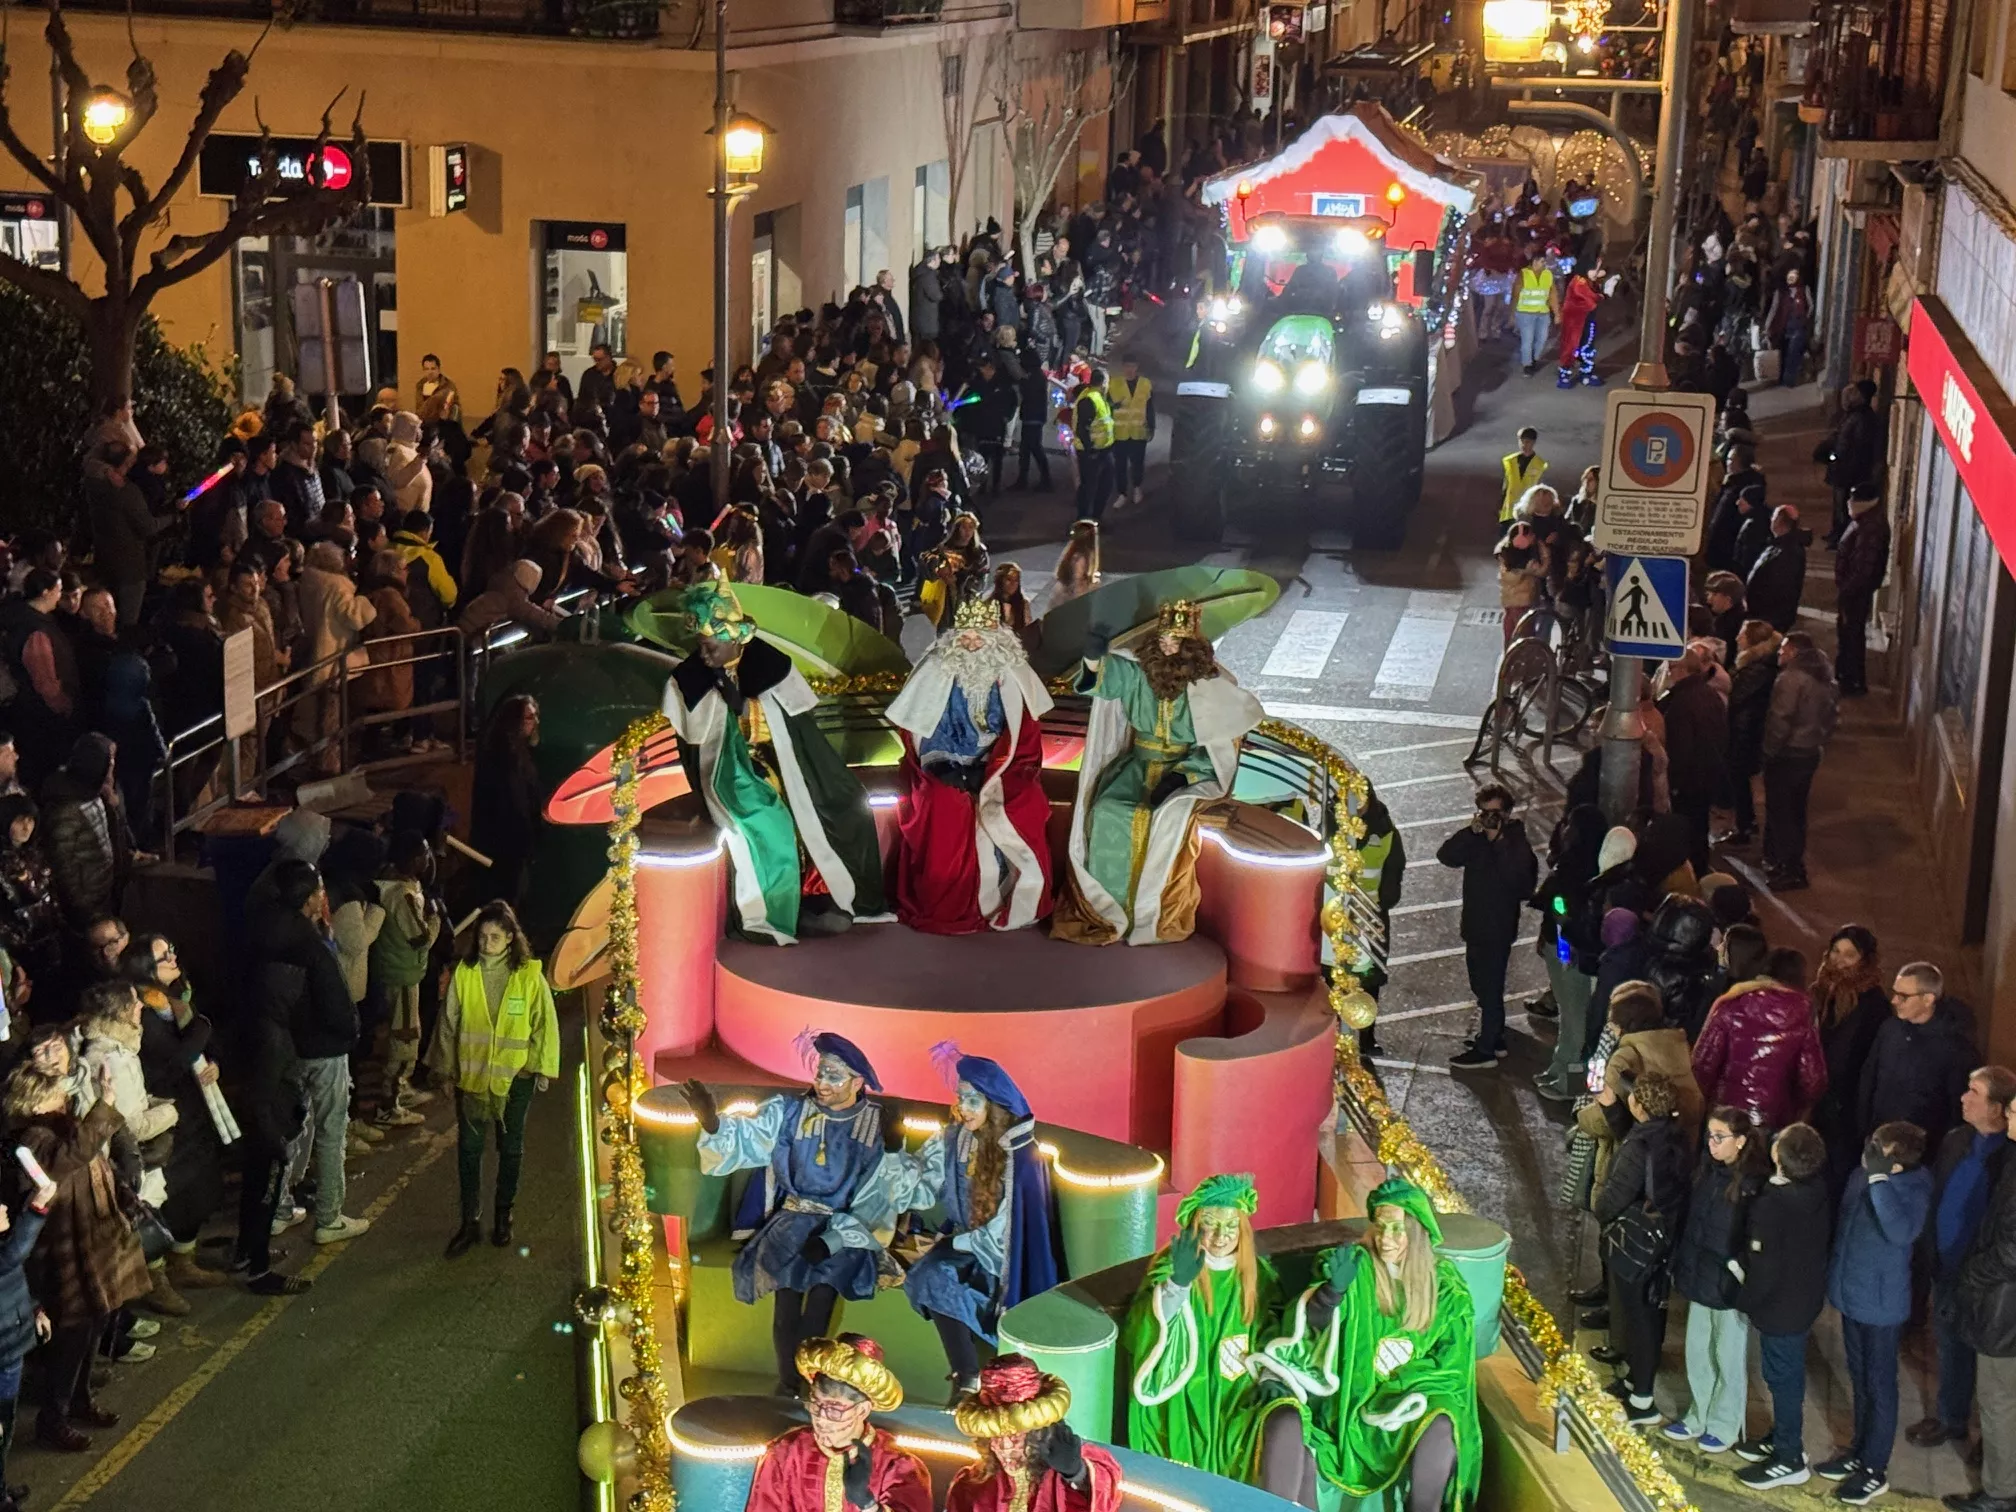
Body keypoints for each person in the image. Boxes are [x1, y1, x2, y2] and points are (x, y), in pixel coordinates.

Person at [659, 581, 888, 943]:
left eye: (710, 647)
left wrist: (746, 709)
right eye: (700, 647)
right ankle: (780, 914)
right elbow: (701, 743)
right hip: (729, 770)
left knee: (844, 801)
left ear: (735, 639)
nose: (703, 655)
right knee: (771, 820)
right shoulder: (692, 677)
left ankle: (831, 896)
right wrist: (732, 713)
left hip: (784, 760)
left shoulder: (768, 663)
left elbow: (793, 730)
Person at [683, 1034, 903, 1391]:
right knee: (786, 1308)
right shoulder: (789, 1111)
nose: (822, 1083)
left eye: (834, 1076)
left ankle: (805, 1385)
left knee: (819, 1301)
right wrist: (712, 1123)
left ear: (858, 1082)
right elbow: (749, 1139)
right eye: (820, 1073)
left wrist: (833, 1239)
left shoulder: (877, 1124)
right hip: (793, 1221)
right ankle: (789, 1387)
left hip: (846, 1227)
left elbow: (880, 1194)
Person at [1253, 1177, 1482, 1512]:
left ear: (1416, 1232)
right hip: (1345, 1408)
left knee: (1442, 1418)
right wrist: (1331, 1294)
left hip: (1407, 1408)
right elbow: (1310, 1332)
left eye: (1397, 1229)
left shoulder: (1446, 1289)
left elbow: (1451, 1370)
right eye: (1380, 1226)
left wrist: (1400, 1393)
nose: (1386, 1239)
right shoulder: (1353, 1267)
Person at [1054, 599, 1263, 947]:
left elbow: (1219, 744)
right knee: (1107, 811)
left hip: (1184, 773)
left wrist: (1183, 776)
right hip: (1135, 767)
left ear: (1191, 648)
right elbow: (1103, 680)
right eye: (1163, 640)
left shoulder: (1209, 686)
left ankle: (1150, 912)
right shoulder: (1140, 673)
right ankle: (1107, 909)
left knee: (1165, 820)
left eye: (1175, 642)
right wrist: (1094, 656)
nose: (1167, 648)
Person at [890, 1049, 1062, 1394]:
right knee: (930, 1271)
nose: (962, 1108)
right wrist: (896, 1161)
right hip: (960, 1244)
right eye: (960, 1098)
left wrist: (951, 1244)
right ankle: (966, 1374)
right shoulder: (955, 1139)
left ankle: (969, 1376)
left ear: (994, 1105)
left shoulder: (1021, 1156)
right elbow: (924, 1187)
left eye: (972, 1101)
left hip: (998, 1259)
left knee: (939, 1274)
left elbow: (1005, 1233)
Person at [886, 600, 1054, 935]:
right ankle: (947, 902)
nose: (973, 645)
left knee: (1024, 805)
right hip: (942, 761)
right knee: (946, 804)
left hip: (999, 766)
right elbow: (924, 731)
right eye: (966, 638)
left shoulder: (1013, 674)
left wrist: (994, 769)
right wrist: (945, 765)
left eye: (981, 638)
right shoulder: (938, 668)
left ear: (996, 638)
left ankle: (1004, 898)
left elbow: (1023, 737)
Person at [8, 1061, 150, 1452]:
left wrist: (121, 1194)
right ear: (35, 1101)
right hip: (62, 1252)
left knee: (93, 1326)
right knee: (70, 1337)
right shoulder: (30, 1141)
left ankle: (80, 1400)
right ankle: (53, 1419)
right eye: (55, 1090)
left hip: (90, 1242)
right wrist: (103, 1104)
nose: (64, 1094)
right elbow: (69, 1158)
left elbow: (94, 1162)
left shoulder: (61, 1125)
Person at [1122, 1173, 1279, 1481]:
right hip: (1185, 1392)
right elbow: (1144, 1325)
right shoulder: (1175, 1263)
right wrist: (1178, 1285)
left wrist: (1271, 1374)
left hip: (1238, 1393)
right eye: (1211, 1224)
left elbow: (1272, 1329)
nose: (1221, 1235)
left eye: (1231, 1225)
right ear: (1195, 1223)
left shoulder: (1256, 1275)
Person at [429, 901, 558, 1257]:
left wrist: (535, 1067)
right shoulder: (465, 973)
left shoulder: (529, 975)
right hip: (471, 1080)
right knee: (469, 1153)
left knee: (510, 1149)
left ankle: (504, 1216)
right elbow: (448, 1024)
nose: (487, 944)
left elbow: (544, 1024)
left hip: (515, 1082)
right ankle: (469, 1223)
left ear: (511, 939)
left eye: (495, 937)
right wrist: (443, 1069)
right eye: (482, 937)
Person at [1818, 1121, 1932, 1504]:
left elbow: (1899, 1232)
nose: (1869, 1148)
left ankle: (1874, 1468)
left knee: (1880, 1385)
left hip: (1882, 1306)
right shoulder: (1864, 1174)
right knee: (1859, 1377)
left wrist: (1879, 1182)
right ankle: (1858, 1450)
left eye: (1878, 1146)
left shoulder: (1914, 1188)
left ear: (1894, 1159)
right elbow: (1845, 1225)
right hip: (1852, 1295)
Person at [259, 858, 371, 1247]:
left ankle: (279, 1208)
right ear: (309, 898)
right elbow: (337, 1007)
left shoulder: (263, 935)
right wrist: (352, 1032)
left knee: (291, 1129)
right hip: (323, 1051)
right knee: (329, 1131)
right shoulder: (313, 947)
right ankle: (329, 1216)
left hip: (284, 1050)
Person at [1909, 1067, 2016, 1453]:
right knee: (1949, 1346)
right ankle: (1951, 1419)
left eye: (1974, 1092)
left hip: (1990, 1282)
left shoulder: (2009, 1155)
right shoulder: (1956, 1140)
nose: (1963, 1098)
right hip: (1947, 1267)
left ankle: (1993, 1443)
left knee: (1991, 1368)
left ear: (1999, 1108)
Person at [1663, 1106, 1768, 1453]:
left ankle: (1724, 1424)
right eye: (1709, 1135)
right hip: (1699, 1277)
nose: (1711, 1143)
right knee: (1697, 1351)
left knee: (1727, 1356)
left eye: (1719, 1137)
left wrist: (1737, 1271)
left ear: (1740, 1141)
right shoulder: (1708, 1171)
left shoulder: (1753, 1183)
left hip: (1727, 1286)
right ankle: (1698, 1413)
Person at [1733, 1123, 1833, 1488]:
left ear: (1779, 1158)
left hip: (1779, 1308)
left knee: (1782, 1379)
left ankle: (1789, 1456)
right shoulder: (1817, 1189)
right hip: (1803, 1300)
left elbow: (1763, 1267)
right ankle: (1781, 1437)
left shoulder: (1772, 1206)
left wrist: (1745, 1301)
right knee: (1787, 1375)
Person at [1593, 1072, 1693, 1425]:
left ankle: (1643, 1400)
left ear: (1639, 1105)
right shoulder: (1673, 1135)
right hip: (1662, 1242)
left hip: (1636, 1246)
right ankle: (1635, 1380)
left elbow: (1616, 1195)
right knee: (1650, 1314)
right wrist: (1611, 1109)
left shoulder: (1640, 1147)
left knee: (1641, 1320)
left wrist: (1600, 1210)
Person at [743, 1335, 930, 1512]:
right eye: (816, 1404)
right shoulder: (786, 1452)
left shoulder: (897, 1465)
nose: (821, 1419)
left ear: (862, 1410)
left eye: (834, 1410)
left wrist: (869, 1505)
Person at [1438, 784, 1538, 1070]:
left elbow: (1522, 886)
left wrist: (1499, 843)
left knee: (1491, 988)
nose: (1489, 818)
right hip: (1475, 924)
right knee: (1480, 984)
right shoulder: (1477, 839)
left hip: (1498, 927)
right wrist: (1472, 832)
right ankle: (1494, 1037)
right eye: (1484, 812)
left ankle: (1486, 1051)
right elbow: (1446, 856)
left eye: (1494, 812)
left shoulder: (1517, 844)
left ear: (1507, 813)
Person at [1951, 1092, 2016, 1512]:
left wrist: (1971, 1275)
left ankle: (2000, 1491)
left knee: (1998, 1401)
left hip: (2005, 1311)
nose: (2008, 1116)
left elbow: (2011, 1251)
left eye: (2014, 1112)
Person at [949, 1355, 1120, 1512]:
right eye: (997, 1437)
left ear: (1039, 1432)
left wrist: (1076, 1473)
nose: (1006, 1447)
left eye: (1016, 1436)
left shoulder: (1070, 1464)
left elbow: (1105, 1489)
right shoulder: (970, 1486)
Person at [1692, 944, 1827, 1132]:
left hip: (1724, 1116)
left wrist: (1711, 1102)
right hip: (1772, 1119)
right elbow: (1813, 1081)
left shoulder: (1733, 1001)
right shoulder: (1804, 1013)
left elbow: (1703, 1064)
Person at [1860, 961, 1978, 1157]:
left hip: (1918, 1155)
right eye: (1895, 993)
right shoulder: (1890, 1029)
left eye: (1903, 996)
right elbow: (1869, 1077)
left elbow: (1956, 1110)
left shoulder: (1955, 1048)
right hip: (1877, 1141)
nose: (1894, 1001)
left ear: (1928, 999)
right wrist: (1864, 1129)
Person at [1811, 926, 1890, 1186]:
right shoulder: (1822, 989)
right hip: (1817, 1096)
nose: (1839, 960)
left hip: (1844, 1107)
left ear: (1864, 960)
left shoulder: (1873, 1003)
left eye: (1849, 955)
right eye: (1835, 951)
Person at [1761, 632, 1839, 890]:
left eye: (1783, 649)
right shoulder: (1824, 678)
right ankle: (1789, 863)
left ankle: (1790, 869)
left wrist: (1769, 751)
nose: (1779, 653)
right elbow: (1831, 717)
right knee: (1796, 811)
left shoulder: (1791, 679)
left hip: (1788, 754)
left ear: (1793, 651)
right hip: (1810, 752)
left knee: (1781, 812)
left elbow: (1780, 720)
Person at [0, 1162, 56, 1505]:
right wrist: (37, 1208)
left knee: (5, 1430)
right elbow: (11, 1259)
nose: (4, 1206)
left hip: (10, 1349)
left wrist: (34, 1309)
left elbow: (12, 1279)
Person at [469, 694, 545, 916]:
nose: (535, 722)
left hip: (509, 841)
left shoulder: (513, 754)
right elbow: (514, 803)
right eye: (529, 717)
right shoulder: (505, 759)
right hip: (506, 843)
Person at [1717, 620, 1780, 846]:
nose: (1737, 638)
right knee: (1740, 781)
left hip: (1746, 735)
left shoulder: (1757, 669)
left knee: (1738, 780)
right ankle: (1747, 822)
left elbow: (1739, 698)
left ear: (1752, 640)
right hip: (1746, 732)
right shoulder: (1757, 664)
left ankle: (1743, 827)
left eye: (1742, 635)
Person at [1834, 483, 1889, 696]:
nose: (1849, 504)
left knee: (1852, 634)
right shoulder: (1863, 521)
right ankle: (1847, 677)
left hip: (1855, 593)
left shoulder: (1870, 528)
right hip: (1852, 591)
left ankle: (1852, 681)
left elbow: (1864, 567)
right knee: (1849, 634)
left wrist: (1847, 589)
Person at [1071, 367, 1116, 521]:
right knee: (1089, 488)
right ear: (1103, 382)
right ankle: (1083, 520)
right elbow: (1082, 428)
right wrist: (1091, 451)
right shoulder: (1090, 399)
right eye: (1108, 381)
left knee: (1105, 484)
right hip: (1091, 453)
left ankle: (1096, 518)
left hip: (1103, 451)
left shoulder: (1098, 397)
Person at [1108, 356, 1155, 507]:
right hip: (1120, 432)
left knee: (1138, 463)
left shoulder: (1145, 384)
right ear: (1123, 367)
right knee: (1120, 465)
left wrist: (1151, 427)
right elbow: (1107, 406)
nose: (1130, 369)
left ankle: (1137, 488)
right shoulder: (1114, 383)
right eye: (1127, 366)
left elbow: (1150, 407)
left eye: (1132, 366)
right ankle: (1122, 493)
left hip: (1138, 431)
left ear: (1137, 367)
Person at [1513, 247, 1559, 375]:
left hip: (1542, 313)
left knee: (1542, 338)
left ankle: (1534, 357)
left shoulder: (1548, 274)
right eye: (1542, 262)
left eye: (1545, 262)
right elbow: (1515, 294)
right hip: (1525, 313)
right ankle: (1527, 365)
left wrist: (1556, 313)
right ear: (1534, 261)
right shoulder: (1523, 274)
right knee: (1527, 340)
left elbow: (1552, 294)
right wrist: (1512, 314)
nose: (1544, 264)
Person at [1500, 426, 1546, 524]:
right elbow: (1506, 485)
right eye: (1521, 441)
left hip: (1527, 511)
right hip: (1508, 511)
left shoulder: (1540, 464)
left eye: (1527, 442)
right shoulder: (1510, 461)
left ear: (1533, 443)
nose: (1524, 445)